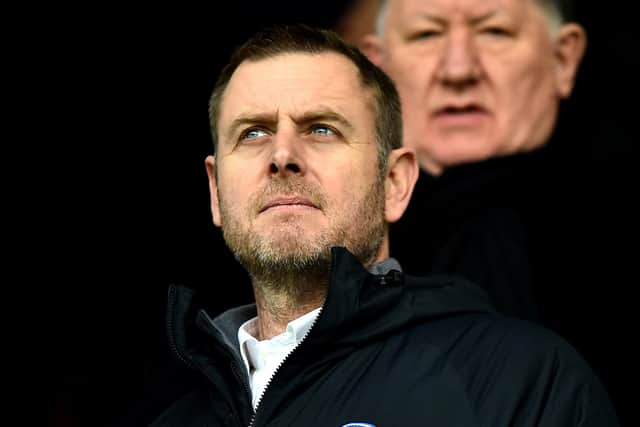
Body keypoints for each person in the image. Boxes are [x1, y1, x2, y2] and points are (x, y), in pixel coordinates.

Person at [151, 24, 618, 426]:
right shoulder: (173, 419)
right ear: (215, 192)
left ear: (394, 182)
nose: (282, 156)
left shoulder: (522, 381)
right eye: (252, 132)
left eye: (321, 129)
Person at [345, 0, 588, 324]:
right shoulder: (329, 249)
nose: (458, 70)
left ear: (563, 59)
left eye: (494, 32)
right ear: (377, 68)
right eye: (426, 35)